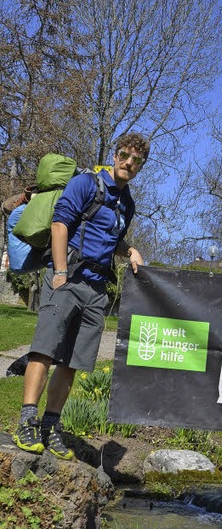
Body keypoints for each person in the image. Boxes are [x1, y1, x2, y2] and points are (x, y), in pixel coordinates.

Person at [12, 133, 150, 460]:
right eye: (124, 156)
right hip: (68, 278)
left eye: (136, 161)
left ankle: (50, 424)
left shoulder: (126, 203)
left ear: (140, 166)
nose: (128, 163)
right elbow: (60, 225)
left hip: (97, 290)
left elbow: (111, 238)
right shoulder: (87, 184)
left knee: (72, 363)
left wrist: (128, 249)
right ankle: (26, 421)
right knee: (44, 351)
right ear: (115, 155)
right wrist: (59, 272)